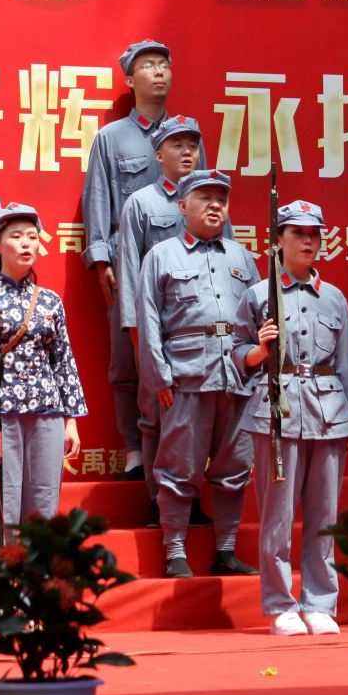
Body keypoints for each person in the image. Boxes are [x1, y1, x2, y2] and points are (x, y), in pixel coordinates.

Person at [233, 201, 348, 636]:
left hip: (329, 410)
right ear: (278, 241)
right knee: (277, 515)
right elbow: (236, 354)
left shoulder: (334, 297)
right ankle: (280, 604)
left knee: (324, 513)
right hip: (277, 408)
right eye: (298, 233)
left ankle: (320, 603)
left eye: (314, 234)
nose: (308, 241)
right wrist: (258, 350)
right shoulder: (258, 295)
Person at [81, 39, 208, 482]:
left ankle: (182, 449)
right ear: (130, 79)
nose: (158, 72)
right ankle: (135, 450)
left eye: (164, 64)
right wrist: (102, 259)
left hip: (184, 263)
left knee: (181, 352)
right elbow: (98, 197)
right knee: (128, 357)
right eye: (148, 65)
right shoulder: (111, 137)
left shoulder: (187, 137)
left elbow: (208, 198)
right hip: (131, 260)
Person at [137, 170, 261, 579]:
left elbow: (262, 318)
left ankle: (226, 551)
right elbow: (148, 319)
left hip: (238, 375)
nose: (214, 206)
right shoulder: (162, 255)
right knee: (177, 467)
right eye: (204, 198)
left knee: (234, 468)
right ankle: (175, 552)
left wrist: (260, 371)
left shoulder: (242, 258)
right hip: (186, 375)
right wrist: (158, 377)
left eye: (221, 199)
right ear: (182, 206)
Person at [0, 204, 85, 538]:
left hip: (47, 411)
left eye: (32, 237)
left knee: (44, 500)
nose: (26, 244)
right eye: (16, 236)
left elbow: (63, 360)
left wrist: (71, 420)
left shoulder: (50, 301)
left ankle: (37, 570)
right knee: (0, 502)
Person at [115, 114, 217, 526]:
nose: (187, 151)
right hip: (157, 331)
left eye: (193, 144)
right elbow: (129, 274)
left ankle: (190, 499)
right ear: (159, 154)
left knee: (196, 422)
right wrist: (138, 337)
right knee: (155, 416)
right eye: (177, 144)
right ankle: (159, 501)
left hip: (199, 335)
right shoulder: (141, 203)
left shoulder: (213, 202)